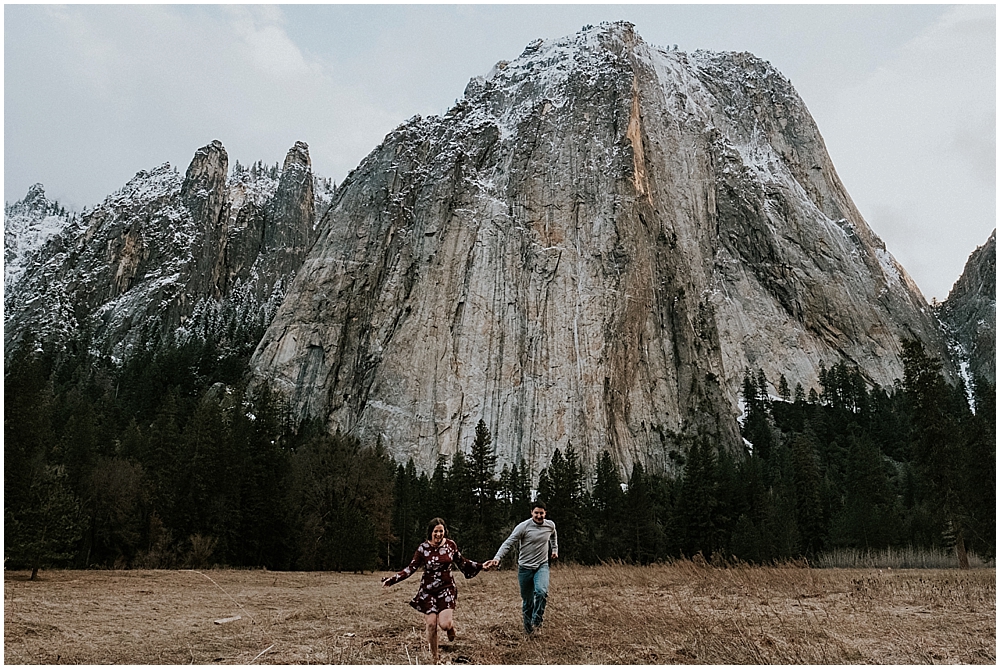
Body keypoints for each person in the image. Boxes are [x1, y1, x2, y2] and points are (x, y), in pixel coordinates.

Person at [382, 517, 486, 663]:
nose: (438, 534)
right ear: (430, 532)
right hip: (428, 590)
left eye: (441, 531)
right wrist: (393, 579)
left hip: (446, 588)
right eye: (435, 531)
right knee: (431, 624)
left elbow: (462, 562)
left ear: (445, 532)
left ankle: (451, 628)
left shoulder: (450, 545)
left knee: (445, 624)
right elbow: (411, 568)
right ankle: (435, 658)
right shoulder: (423, 548)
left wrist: (481, 566)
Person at [483, 501, 558, 635]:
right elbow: (509, 542)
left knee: (541, 592)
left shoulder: (550, 525)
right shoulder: (523, 527)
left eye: (541, 513)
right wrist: (497, 558)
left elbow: (553, 536)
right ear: (531, 513)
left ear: (545, 513)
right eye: (536, 513)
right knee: (528, 601)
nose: (539, 516)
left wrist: (555, 549)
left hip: (542, 565)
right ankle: (528, 631)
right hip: (525, 568)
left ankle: (537, 620)